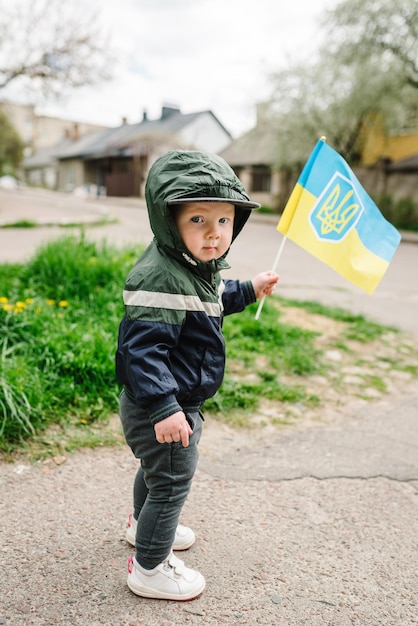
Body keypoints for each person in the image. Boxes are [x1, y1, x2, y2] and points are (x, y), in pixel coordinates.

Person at [116, 149, 279, 602]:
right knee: (170, 480)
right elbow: (142, 350)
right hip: (161, 404)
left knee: (157, 471)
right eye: (198, 220)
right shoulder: (161, 278)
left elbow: (214, 298)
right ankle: (150, 567)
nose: (213, 234)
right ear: (170, 221)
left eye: (224, 221)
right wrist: (166, 408)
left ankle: (139, 526)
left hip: (169, 401)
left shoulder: (192, 268)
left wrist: (250, 288)